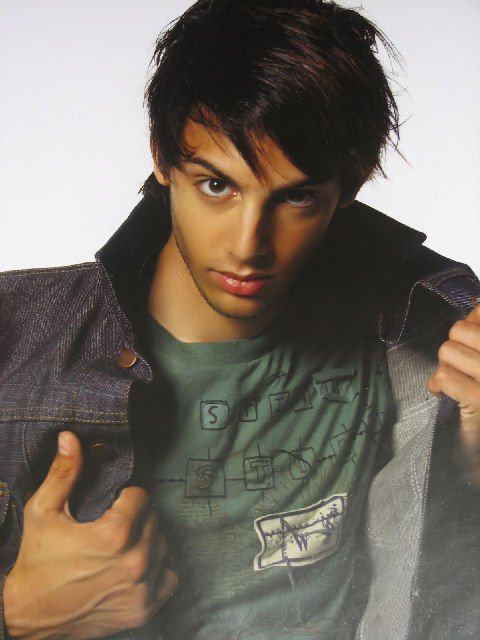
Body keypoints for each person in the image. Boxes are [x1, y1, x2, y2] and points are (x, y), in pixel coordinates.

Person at [1, 0, 479, 638]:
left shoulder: (426, 333)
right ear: (162, 159)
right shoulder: (15, 338)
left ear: (351, 186)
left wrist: (472, 461)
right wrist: (17, 616)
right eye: (217, 185)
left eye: (296, 197)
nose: (248, 245)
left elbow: (446, 581)